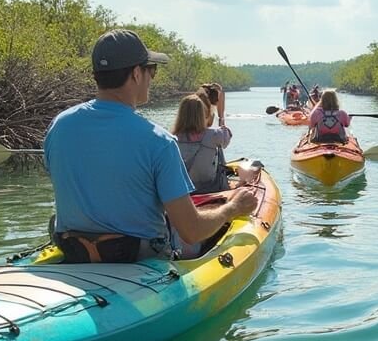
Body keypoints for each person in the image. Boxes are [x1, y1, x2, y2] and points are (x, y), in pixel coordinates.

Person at [43, 29, 257, 263]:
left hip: (76, 254)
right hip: (139, 261)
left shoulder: (58, 127)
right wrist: (233, 208)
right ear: (136, 73)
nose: (151, 78)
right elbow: (191, 231)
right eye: (151, 70)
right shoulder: (159, 141)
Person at [173, 94, 232, 193]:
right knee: (219, 148)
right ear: (202, 114)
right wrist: (221, 118)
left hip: (184, 190)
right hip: (210, 187)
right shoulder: (215, 135)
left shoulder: (172, 138)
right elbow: (227, 136)